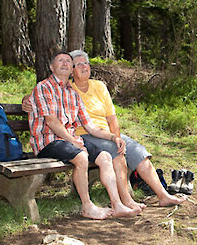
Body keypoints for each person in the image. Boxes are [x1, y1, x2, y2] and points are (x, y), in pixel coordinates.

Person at [26, 51, 142, 220]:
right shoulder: (43, 87)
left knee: (104, 156)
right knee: (81, 156)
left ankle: (117, 205)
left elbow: (89, 125)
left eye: (68, 61)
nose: (65, 63)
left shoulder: (72, 93)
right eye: (61, 61)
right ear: (51, 67)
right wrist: (73, 140)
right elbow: (52, 122)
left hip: (69, 141)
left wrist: (113, 137)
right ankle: (87, 206)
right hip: (48, 142)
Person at [67, 49, 185, 207]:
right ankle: (126, 200)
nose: (84, 66)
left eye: (86, 63)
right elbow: (40, 93)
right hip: (85, 136)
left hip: (108, 135)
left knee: (140, 153)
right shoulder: (67, 89)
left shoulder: (99, 86)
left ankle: (163, 195)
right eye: (79, 64)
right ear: (71, 70)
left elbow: (112, 117)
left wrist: (117, 137)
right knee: (116, 152)